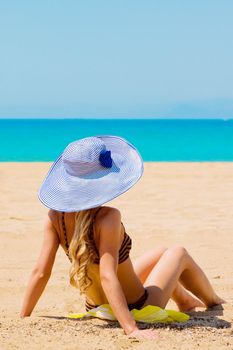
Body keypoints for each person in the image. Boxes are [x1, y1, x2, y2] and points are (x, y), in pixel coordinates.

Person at [20, 136, 224, 339]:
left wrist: (24, 316)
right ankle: (213, 301)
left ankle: (185, 300)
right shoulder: (108, 217)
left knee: (162, 252)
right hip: (136, 305)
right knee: (179, 252)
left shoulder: (55, 216)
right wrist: (131, 328)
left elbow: (40, 272)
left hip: (96, 306)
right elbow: (107, 275)